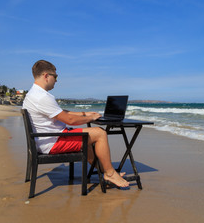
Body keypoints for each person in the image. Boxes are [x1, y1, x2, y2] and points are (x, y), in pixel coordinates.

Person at [22, 59, 129, 188]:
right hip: (52, 142)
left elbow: (62, 113)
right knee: (100, 133)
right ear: (46, 76)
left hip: (46, 140)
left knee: (88, 139)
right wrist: (91, 119)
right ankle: (110, 173)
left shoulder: (33, 94)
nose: (56, 80)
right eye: (55, 76)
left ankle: (104, 170)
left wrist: (85, 114)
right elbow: (69, 120)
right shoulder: (42, 97)